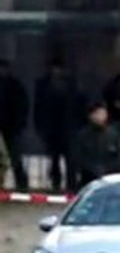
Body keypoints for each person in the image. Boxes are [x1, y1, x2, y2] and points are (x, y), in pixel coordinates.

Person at [33, 57, 83, 192]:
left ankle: (71, 186)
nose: (56, 71)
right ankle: (56, 183)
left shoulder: (72, 84)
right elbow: (38, 107)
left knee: (70, 158)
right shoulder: (43, 84)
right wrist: (40, 126)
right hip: (52, 127)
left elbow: (79, 105)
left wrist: (78, 125)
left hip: (68, 127)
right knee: (54, 158)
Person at [69, 99, 118, 186]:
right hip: (88, 178)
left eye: (103, 113)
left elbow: (118, 156)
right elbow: (78, 157)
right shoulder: (82, 135)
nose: (101, 116)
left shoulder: (113, 135)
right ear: (91, 115)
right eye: (97, 113)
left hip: (109, 178)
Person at [0, 59, 29, 190]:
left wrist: (19, 125)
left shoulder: (15, 87)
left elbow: (22, 107)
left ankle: (22, 184)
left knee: (15, 157)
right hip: (10, 127)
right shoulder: (15, 86)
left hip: (12, 128)